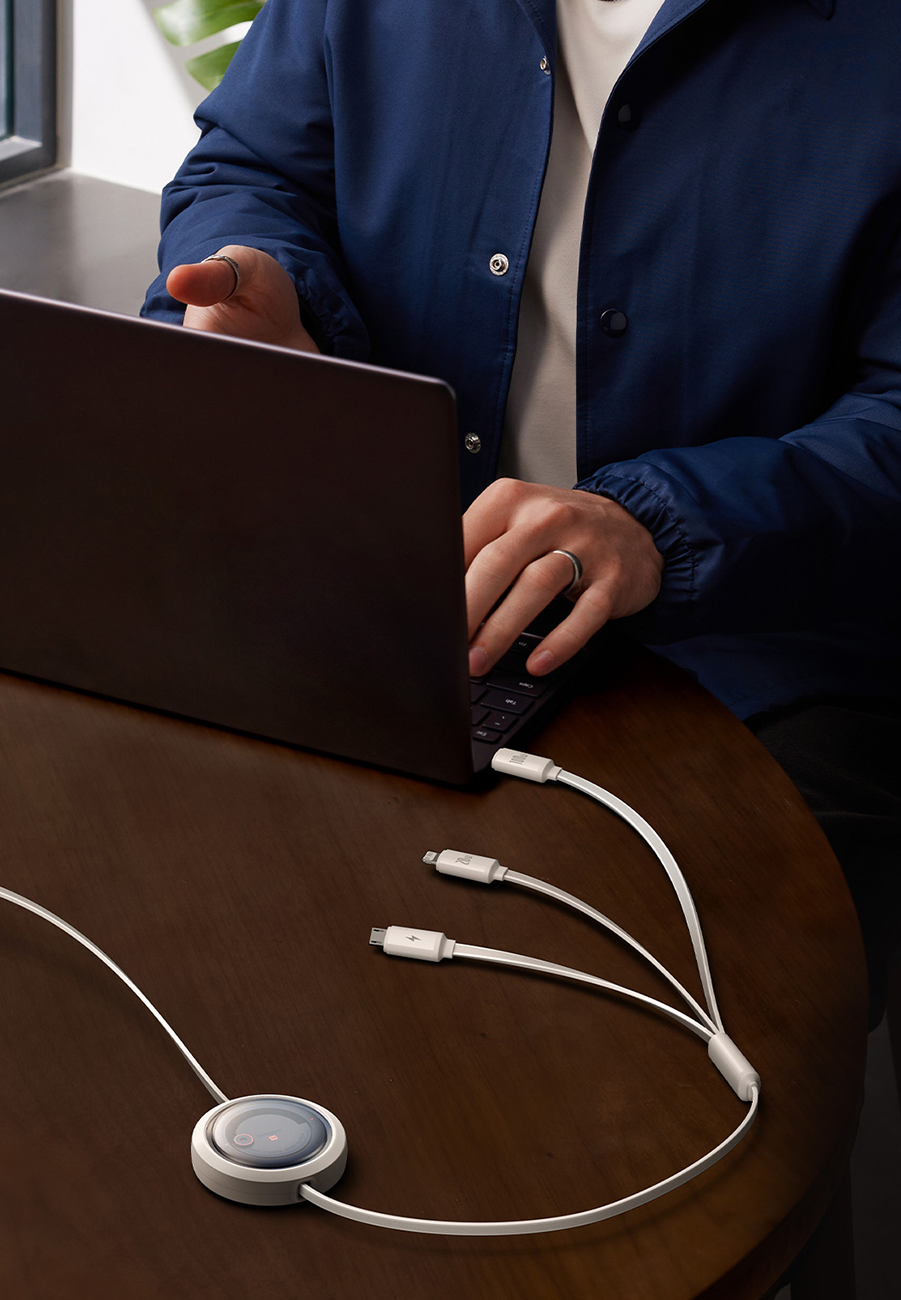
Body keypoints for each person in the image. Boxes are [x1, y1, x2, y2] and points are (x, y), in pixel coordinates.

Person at [141, 0, 901, 1022]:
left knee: (681, 1030)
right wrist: (258, 280)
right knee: (159, 881)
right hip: (401, 581)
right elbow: (251, 164)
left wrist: (652, 526)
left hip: (768, 652)